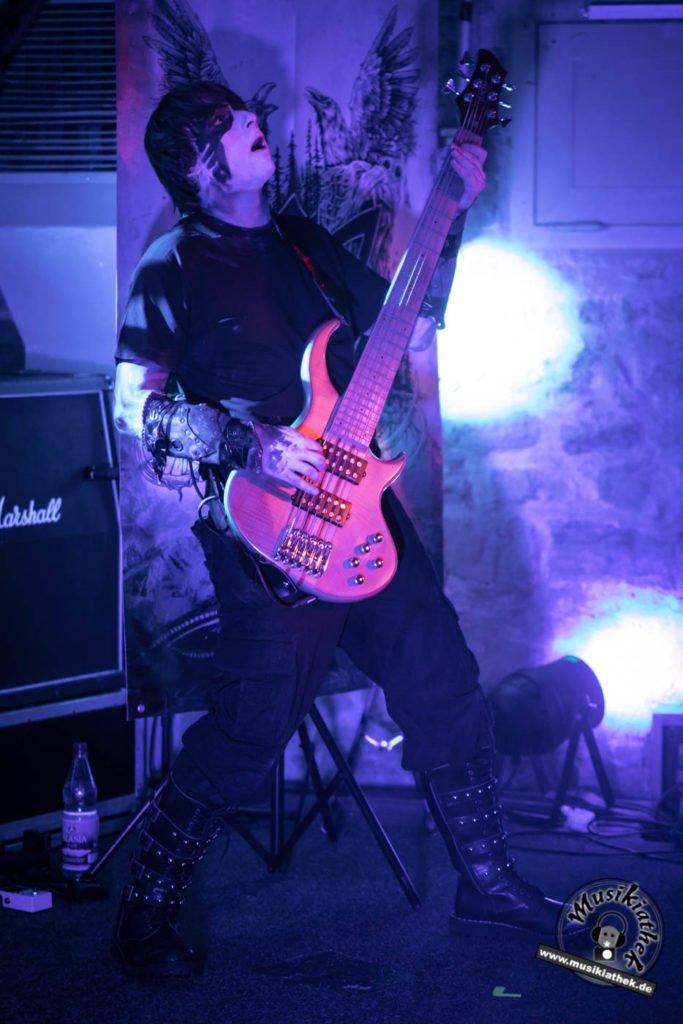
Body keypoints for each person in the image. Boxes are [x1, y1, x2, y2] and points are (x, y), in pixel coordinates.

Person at [112, 80, 560, 980]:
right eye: (230, 123)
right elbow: (132, 406)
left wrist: (454, 211)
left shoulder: (301, 242)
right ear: (196, 165)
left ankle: (486, 883)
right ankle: (146, 908)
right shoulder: (174, 261)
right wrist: (249, 443)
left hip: (363, 508)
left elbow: (409, 325)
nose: (255, 123)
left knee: (443, 682)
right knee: (250, 730)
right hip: (267, 530)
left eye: (249, 113)